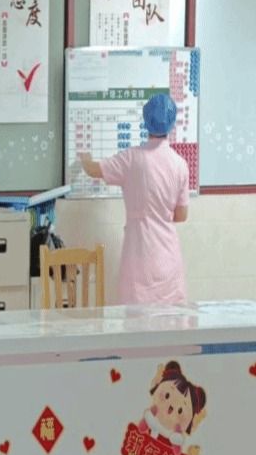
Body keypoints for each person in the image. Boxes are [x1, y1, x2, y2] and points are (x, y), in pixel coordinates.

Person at [78, 93, 190, 306]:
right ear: (172, 124)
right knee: (171, 321)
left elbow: (93, 170)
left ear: (145, 121)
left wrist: (84, 157)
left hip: (139, 255)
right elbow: (181, 215)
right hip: (168, 257)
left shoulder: (131, 159)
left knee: (136, 319)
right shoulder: (180, 164)